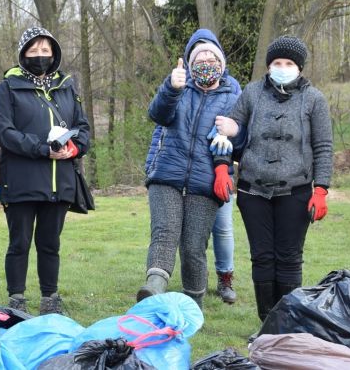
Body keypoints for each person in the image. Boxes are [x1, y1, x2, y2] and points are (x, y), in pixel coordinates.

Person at [216, 35, 333, 321]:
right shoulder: (252, 93)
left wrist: (321, 188)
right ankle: (266, 324)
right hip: (253, 191)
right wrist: (222, 165)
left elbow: (323, 146)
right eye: (277, 62)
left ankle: (288, 324)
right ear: (269, 66)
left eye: (289, 62)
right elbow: (228, 130)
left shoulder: (314, 99)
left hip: (296, 191)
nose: (282, 67)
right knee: (262, 258)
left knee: (289, 258)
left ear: (299, 67)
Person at [139, 29, 242, 308]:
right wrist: (171, 89)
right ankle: (154, 289)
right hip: (167, 175)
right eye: (199, 56)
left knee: (193, 247)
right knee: (164, 232)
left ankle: (192, 303)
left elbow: (243, 142)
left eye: (211, 55)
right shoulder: (178, 86)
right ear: (188, 62)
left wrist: (234, 132)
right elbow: (157, 115)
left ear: (221, 62)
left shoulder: (234, 97)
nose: (205, 60)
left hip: (205, 182)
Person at [0, 26, 91, 315]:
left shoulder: (67, 87)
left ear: (54, 53)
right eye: (33, 50)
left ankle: (50, 299)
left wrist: (73, 148)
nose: (40, 55)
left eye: (45, 50)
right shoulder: (7, 88)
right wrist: (40, 148)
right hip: (21, 180)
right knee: (19, 242)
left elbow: (83, 128)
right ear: (23, 54)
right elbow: (4, 132)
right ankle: (16, 300)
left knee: (50, 243)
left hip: (59, 181)